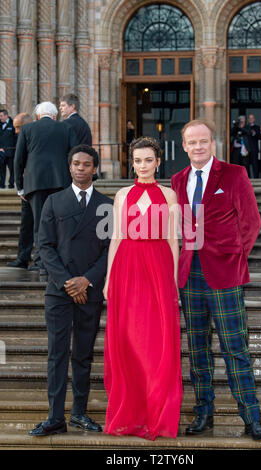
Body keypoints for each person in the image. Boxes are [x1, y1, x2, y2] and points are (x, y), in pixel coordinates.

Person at [171, 118, 261, 441]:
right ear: (184, 146)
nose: (198, 147)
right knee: (197, 349)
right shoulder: (177, 180)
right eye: (192, 142)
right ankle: (204, 414)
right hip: (190, 275)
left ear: (212, 143)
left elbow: (251, 222)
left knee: (235, 348)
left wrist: (233, 256)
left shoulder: (233, 174)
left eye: (204, 141)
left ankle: (251, 418)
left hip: (225, 274)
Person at [29, 145, 113, 436]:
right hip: (58, 291)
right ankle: (55, 416)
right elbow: (45, 246)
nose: (80, 168)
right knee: (57, 353)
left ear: (94, 168)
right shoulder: (53, 202)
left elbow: (109, 250)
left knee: (83, 353)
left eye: (86, 164)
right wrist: (68, 281)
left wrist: (86, 280)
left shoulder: (106, 205)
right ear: (70, 167)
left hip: (89, 291)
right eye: (76, 163)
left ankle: (78, 412)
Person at [103, 136, 183, 440]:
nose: (143, 166)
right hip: (128, 266)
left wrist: (173, 280)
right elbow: (117, 237)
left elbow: (173, 240)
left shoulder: (170, 196)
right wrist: (110, 278)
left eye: (148, 160)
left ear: (158, 161)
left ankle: (157, 413)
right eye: (137, 161)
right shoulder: (122, 194)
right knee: (129, 340)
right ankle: (131, 413)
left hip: (158, 267)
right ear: (132, 163)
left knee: (157, 342)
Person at [14, 101, 77, 274]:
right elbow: (75, 155)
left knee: (40, 223)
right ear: (55, 115)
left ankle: (41, 262)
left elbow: (18, 160)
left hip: (35, 183)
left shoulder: (27, 129)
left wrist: (20, 187)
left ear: (38, 115)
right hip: (61, 182)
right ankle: (61, 259)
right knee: (60, 223)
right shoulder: (66, 128)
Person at [7, 113, 34, 269]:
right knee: (26, 224)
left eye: (18, 127)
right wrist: (20, 187)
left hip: (36, 187)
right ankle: (23, 257)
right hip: (27, 188)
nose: (16, 131)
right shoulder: (21, 137)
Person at [0, 108, 17, 188]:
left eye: (1, 116)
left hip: (11, 152)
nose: (0, 118)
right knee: (1, 170)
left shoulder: (13, 124)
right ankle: (2, 185)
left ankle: (11, 184)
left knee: (12, 170)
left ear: (6, 115)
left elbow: (16, 138)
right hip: (1, 152)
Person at [246, 114, 261, 178]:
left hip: (254, 148)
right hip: (247, 148)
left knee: (255, 164)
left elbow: (259, 137)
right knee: (246, 164)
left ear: (254, 119)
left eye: (252, 118)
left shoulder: (257, 127)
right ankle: (247, 177)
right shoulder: (246, 127)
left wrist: (254, 133)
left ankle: (256, 177)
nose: (251, 119)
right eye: (249, 118)